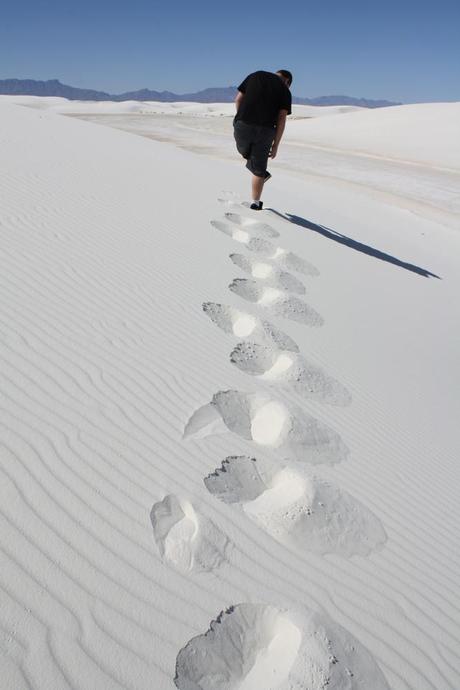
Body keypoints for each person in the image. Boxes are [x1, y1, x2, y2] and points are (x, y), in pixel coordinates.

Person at [233, 69, 292, 210]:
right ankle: (256, 202)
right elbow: (282, 118)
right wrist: (276, 144)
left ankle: (258, 170)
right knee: (259, 168)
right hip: (266, 131)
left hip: (243, 124)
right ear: (288, 82)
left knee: (244, 152)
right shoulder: (285, 90)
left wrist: (240, 117)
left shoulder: (256, 75)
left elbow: (238, 99)